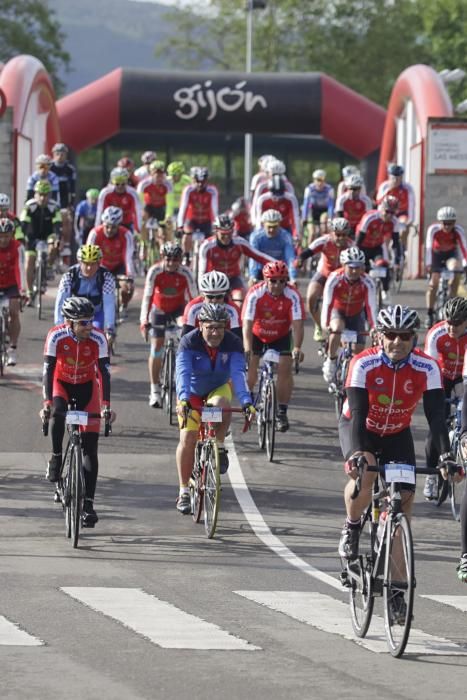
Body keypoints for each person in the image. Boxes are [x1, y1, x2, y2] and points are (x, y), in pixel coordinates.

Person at [337, 305, 452, 616]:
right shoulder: (364, 363)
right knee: (366, 475)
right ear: (380, 336)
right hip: (362, 429)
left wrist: (445, 457)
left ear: (413, 338)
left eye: (404, 336)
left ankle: (397, 594)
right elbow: (359, 414)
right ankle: (351, 526)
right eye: (391, 335)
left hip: (397, 433)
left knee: (403, 510)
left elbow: (437, 418)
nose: (397, 342)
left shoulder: (427, 368)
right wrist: (357, 456)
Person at [175, 303, 255, 514]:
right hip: (191, 391)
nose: (215, 332)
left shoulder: (233, 343)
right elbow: (182, 373)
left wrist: (247, 402)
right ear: (200, 325)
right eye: (210, 327)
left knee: (222, 405)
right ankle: (183, 490)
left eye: (220, 327)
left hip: (218, 387)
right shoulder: (188, 342)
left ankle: (218, 446)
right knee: (188, 438)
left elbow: (238, 374)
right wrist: (183, 400)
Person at [41, 297, 113, 527]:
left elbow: (104, 373)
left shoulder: (98, 338)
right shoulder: (56, 335)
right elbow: (48, 370)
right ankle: (56, 458)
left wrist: (106, 406)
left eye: (90, 322)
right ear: (69, 323)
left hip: (87, 387)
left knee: (90, 448)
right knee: (58, 413)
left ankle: (89, 505)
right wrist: (46, 403)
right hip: (61, 384)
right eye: (83, 323)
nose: (88, 327)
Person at [242, 260, 305, 432]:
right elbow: (246, 324)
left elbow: (298, 324)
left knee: (285, 367)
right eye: (273, 280)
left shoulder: (293, 295)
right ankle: (250, 401)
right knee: (251, 367)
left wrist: (297, 347)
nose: (278, 285)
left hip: (281, 335)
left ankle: (281, 412)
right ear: (265, 279)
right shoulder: (255, 293)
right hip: (257, 334)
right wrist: (247, 348)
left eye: (282, 281)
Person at [140, 242, 197, 407]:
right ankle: (155, 390)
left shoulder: (186, 273)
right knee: (157, 347)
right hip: (159, 310)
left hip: (179, 310)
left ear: (180, 259)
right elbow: (147, 297)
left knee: (186, 340)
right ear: (162, 258)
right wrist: (144, 320)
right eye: (168, 259)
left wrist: (197, 321)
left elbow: (194, 298)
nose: (171, 263)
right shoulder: (155, 271)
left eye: (175, 259)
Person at [423, 296, 467, 499]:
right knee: (436, 423)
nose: (452, 327)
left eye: (457, 323)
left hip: (463, 376)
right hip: (440, 376)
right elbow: (429, 367)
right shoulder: (436, 333)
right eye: (448, 322)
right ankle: (431, 475)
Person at [321, 246, 376, 383]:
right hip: (337, 312)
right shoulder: (334, 278)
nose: (354, 271)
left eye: (358, 267)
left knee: (358, 350)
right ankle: (331, 360)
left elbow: (371, 307)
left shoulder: (368, 282)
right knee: (337, 328)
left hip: (357, 314)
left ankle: (351, 376)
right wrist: (325, 324)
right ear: (343, 265)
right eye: (350, 267)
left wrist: (374, 327)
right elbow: (327, 303)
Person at [296, 217, 353, 342]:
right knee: (311, 296)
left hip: (341, 278)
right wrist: (300, 260)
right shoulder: (324, 241)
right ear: (331, 232)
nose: (341, 238)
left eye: (344, 235)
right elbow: (307, 252)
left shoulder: (351, 245)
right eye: (337, 235)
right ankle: (319, 325)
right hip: (324, 274)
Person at [198, 213, 274, 303]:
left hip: (233, 278)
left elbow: (259, 256)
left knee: (240, 298)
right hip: (215, 280)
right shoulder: (207, 246)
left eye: (229, 234)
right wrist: (202, 289)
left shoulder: (239, 242)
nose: (226, 238)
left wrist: (277, 264)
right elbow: (202, 272)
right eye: (223, 234)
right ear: (216, 231)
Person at [54, 244, 116, 338]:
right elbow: (61, 300)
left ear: (98, 263)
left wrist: (109, 328)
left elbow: (109, 303)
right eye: (86, 264)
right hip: (75, 314)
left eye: (93, 264)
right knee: (71, 334)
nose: (89, 268)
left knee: (96, 332)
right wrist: (59, 325)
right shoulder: (70, 275)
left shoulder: (106, 276)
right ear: (80, 262)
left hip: (96, 313)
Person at [87, 206, 135, 316]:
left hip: (119, 266)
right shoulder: (95, 233)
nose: (109, 230)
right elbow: (88, 257)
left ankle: (124, 304)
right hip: (101, 265)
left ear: (119, 225)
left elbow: (128, 257)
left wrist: (130, 277)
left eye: (113, 227)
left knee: (127, 288)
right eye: (107, 226)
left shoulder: (126, 234)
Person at [424, 206, 467, 329]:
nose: (447, 226)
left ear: (454, 222)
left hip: (450, 255)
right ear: (439, 222)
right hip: (436, 255)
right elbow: (428, 248)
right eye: (445, 223)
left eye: (451, 223)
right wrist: (428, 266)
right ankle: (430, 312)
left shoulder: (458, 230)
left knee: (456, 268)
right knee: (433, 284)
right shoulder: (433, 229)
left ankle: (452, 296)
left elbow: (464, 248)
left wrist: (465, 265)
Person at [20, 180, 62, 301]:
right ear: (35, 194)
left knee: (54, 245)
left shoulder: (54, 206)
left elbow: (57, 224)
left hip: (48, 235)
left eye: (46, 194)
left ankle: (48, 266)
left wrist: (58, 237)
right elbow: (23, 224)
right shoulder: (29, 206)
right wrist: (22, 238)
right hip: (32, 236)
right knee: (29, 261)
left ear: (50, 195)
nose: (43, 198)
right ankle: (29, 292)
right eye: (40, 194)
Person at [355, 195, 402, 302]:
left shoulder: (394, 222)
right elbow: (358, 240)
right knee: (363, 272)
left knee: (383, 265)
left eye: (392, 213)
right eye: (387, 211)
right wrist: (359, 259)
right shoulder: (370, 218)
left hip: (377, 247)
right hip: (363, 247)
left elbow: (395, 243)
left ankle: (385, 290)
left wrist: (397, 262)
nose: (389, 215)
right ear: (381, 208)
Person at [182, 270, 242, 340]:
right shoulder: (192, 308)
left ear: (225, 295)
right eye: (210, 297)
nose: (214, 300)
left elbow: (237, 341)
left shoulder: (233, 310)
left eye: (219, 297)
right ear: (203, 296)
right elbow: (185, 339)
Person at [177, 167, 219, 264]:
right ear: (193, 180)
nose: (200, 184)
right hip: (192, 220)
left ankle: (209, 261)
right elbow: (183, 208)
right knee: (187, 235)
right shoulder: (188, 190)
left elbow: (215, 209)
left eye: (203, 181)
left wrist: (216, 225)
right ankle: (186, 256)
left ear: (206, 181)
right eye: (197, 181)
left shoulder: (212, 190)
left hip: (206, 221)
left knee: (211, 242)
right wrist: (180, 226)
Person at [0, 218, 26, 365]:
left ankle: (12, 348)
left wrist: (22, 290)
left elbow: (20, 268)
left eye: (7, 235)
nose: (3, 239)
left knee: (14, 312)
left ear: (12, 234)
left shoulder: (17, 247)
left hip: (11, 284)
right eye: (1, 236)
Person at [248, 208, 298, 285]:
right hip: (262, 272)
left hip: (280, 272)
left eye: (275, 227)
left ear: (279, 225)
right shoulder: (256, 237)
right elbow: (253, 259)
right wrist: (252, 276)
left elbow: (290, 258)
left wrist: (293, 278)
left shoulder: (286, 237)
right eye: (269, 226)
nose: (271, 230)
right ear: (263, 224)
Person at [376, 163, 415, 250]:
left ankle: (402, 249)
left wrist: (410, 221)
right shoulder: (384, 186)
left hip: (401, 213)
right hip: (387, 213)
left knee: (403, 227)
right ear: (389, 177)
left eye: (398, 177)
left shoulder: (408, 188)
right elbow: (378, 202)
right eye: (393, 177)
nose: (396, 180)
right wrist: (389, 189)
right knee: (385, 236)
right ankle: (386, 250)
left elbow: (412, 205)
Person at [50, 142, 77, 262]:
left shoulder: (70, 169)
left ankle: (65, 244)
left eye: (62, 154)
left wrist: (71, 204)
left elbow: (72, 189)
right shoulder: (49, 167)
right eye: (57, 153)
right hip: (51, 200)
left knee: (67, 221)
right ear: (53, 155)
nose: (60, 156)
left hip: (64, 202)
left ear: (66, 155)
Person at [254, 175, 300, 241]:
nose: (277, 198)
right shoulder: (262, 199)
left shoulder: (291, 199)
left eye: (280, 194)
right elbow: (259, 219)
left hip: (285, 229)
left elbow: (295, 218)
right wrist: (258, 233)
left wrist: (296, 235)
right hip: (267, 230)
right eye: (274, 194)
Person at [96, 167, 142, 233]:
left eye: (123, 184)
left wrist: (138, 230)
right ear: (112, 182)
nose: (120, 187)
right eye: (117, 184)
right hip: (109, 226)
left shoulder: (133, 193)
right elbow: (99, 212)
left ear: (127, 182)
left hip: (126, 224)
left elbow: (137, 212)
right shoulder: (105, 193)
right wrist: (97, 229)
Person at [301, 169, 335, 240]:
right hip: (312, 210)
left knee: (324, 227)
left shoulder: (329, 189)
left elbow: (330, 205)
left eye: (322, 180)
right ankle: (309, 249)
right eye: (318, 180)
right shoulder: (309, 189)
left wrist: (330, 218)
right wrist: (304, 218)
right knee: (312, 233)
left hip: (324, 210)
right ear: (314, 180)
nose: (320, 183)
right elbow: (306, 204)